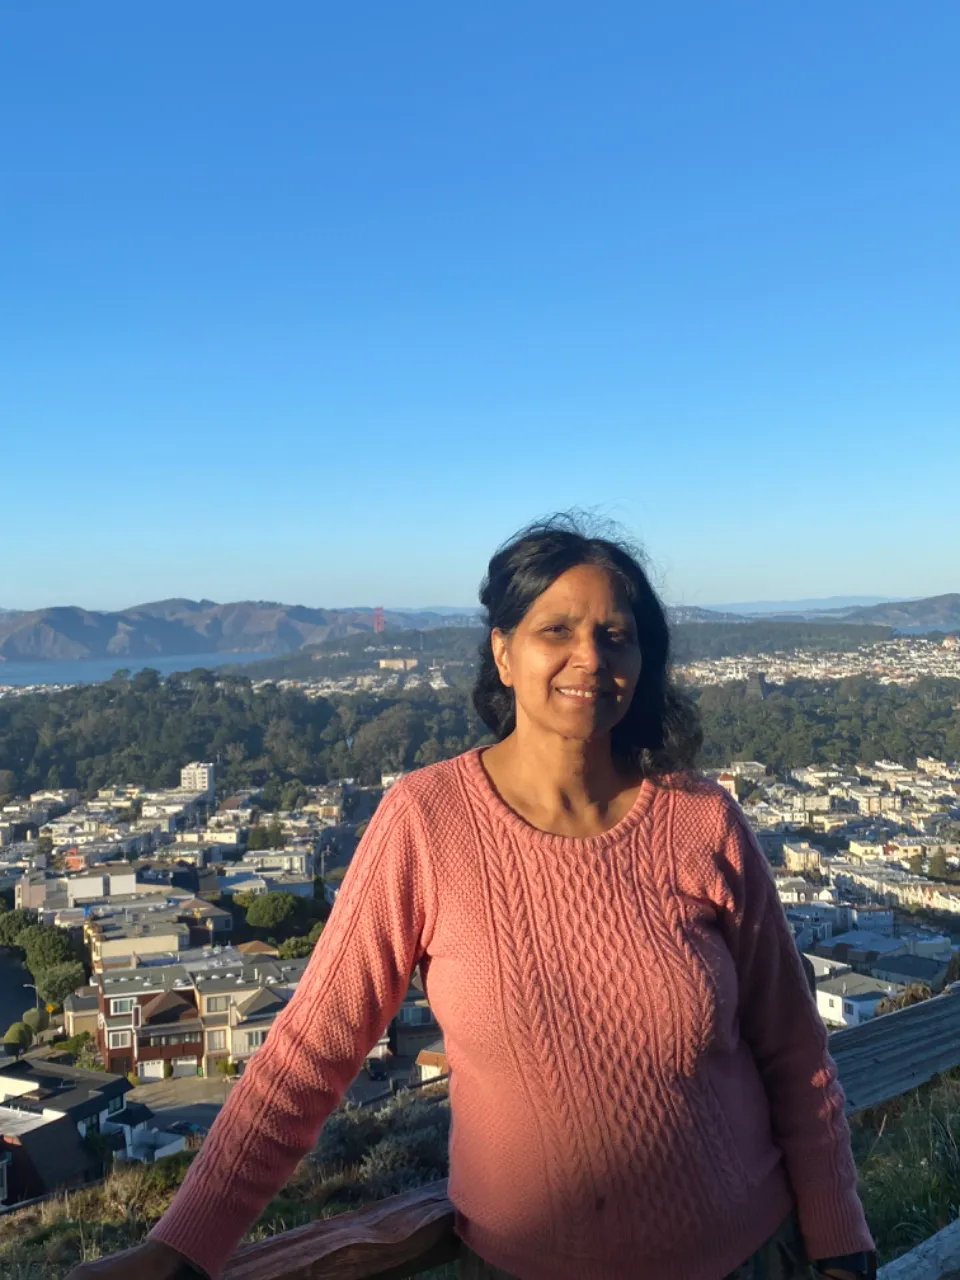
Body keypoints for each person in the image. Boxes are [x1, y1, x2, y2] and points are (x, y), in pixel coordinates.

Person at [67, 518, 876, 1280]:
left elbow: (794, 1051)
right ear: (504, 650)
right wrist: (183, 1247)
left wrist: (840, 1237)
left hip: (744, 1253)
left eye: (615, 634)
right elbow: (310, 1052)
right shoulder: (427, 821)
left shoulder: (702, 820)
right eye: (556, 629)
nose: (590, 657)